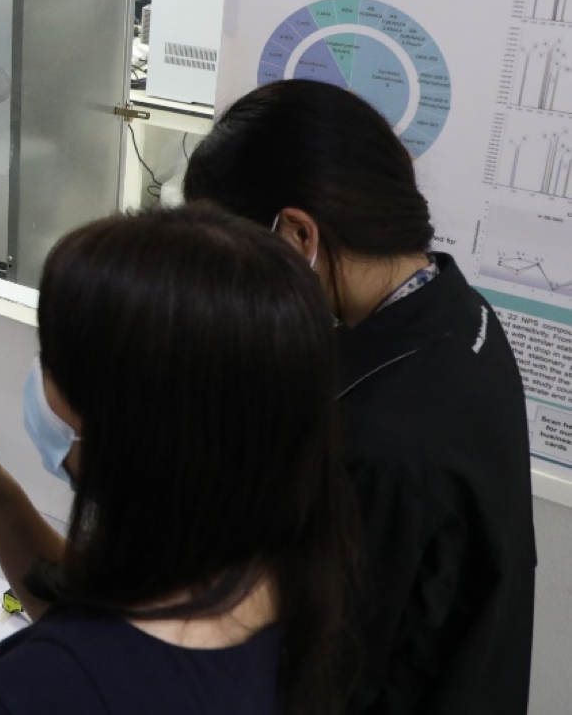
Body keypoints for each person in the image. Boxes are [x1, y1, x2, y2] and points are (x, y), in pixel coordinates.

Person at [0, 206, 354, 715]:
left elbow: (90, 663)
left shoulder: (42, 688)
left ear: (119, 427)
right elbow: (98, 624)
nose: (38, 372)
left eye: (51, 357)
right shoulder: (290, 572)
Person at [182, 79, 536, 715]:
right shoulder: (456, 309)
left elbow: (329, 680)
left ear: (296, 234)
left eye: (236, 259)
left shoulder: (383, 445)